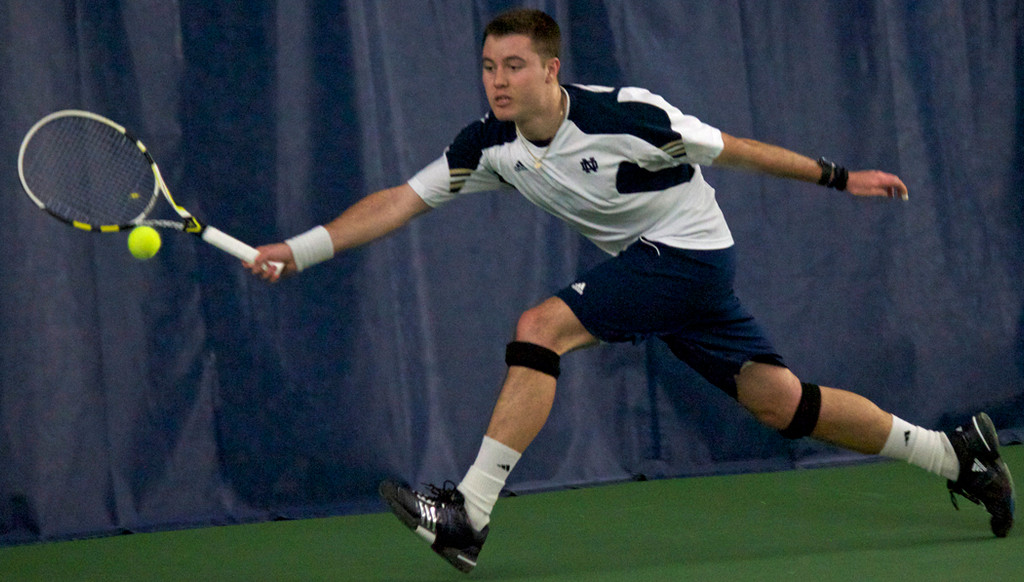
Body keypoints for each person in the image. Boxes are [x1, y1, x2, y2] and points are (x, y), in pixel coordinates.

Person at [247, 8, 1015, 574]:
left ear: (550, 69)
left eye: (514, 65)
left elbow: (736, 151)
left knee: (540, 326)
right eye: (488, 65)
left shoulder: (630, 116)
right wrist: (300, 250)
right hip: (663, 268)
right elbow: (398, 201)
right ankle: (958, 456)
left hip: (691, 257)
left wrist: (841, 177)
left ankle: (468, 514)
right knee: (779, 401)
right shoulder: (486, 145)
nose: (498, 79)